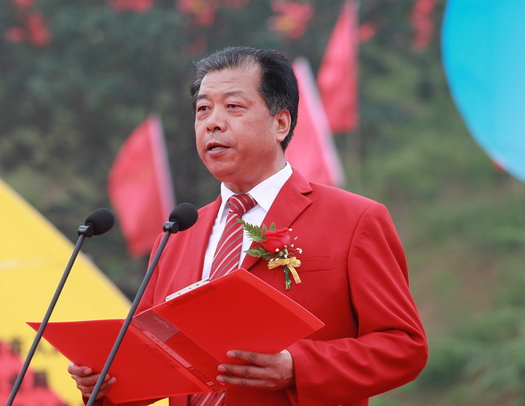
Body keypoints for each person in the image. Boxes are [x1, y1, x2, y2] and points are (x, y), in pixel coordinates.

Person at [69, 46, 428, 406]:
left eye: (233, 106)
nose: (212, 122)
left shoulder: (354, 219)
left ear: (280, 124)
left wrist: (298, 367)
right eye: (203, 109)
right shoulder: (177, 234)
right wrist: (105, 382)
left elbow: (404, 347)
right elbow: (152, 357)